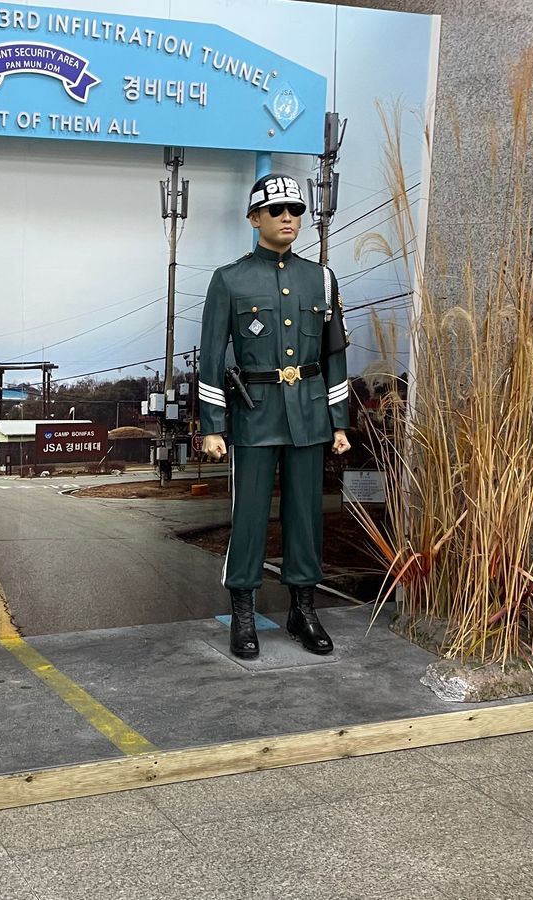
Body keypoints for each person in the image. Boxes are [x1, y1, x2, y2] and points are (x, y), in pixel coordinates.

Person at [198, 173, 351, 660]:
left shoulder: (320, 279)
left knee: (306, 516)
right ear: (254, 218)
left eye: (296, 211)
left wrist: (339, 420)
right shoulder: (230, 279)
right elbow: (211, 357)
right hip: (255, 414)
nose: (288, 218)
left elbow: (333, 355)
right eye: (277, 210)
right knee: (249, 516)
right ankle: (243, 613)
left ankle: (303, 610)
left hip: (308, 413)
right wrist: (212, 426)